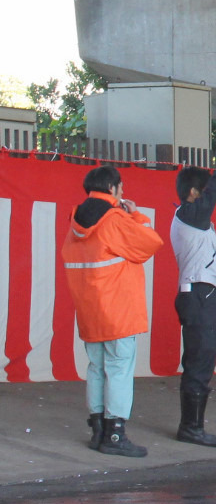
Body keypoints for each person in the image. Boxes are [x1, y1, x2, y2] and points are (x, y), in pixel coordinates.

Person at [62, 165, 164, 458]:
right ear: (112, 188)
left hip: (90, 311)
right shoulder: (114, 219)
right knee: (119, 370)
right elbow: (150, 242)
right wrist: (136, 215)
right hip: (118, 311)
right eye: (121, 187)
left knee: (96, 368)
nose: (124, 192)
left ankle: (97, 431)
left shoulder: (75, 223)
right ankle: (115, 435)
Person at [169, 123, 216, 447]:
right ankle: (191, 428)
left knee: (201, 357)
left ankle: (192, 425)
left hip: (199, 294)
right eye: (203, 190)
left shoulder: (191, 218)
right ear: (194, 193)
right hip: (199, 295)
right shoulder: (190, 213)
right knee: (200, 358)